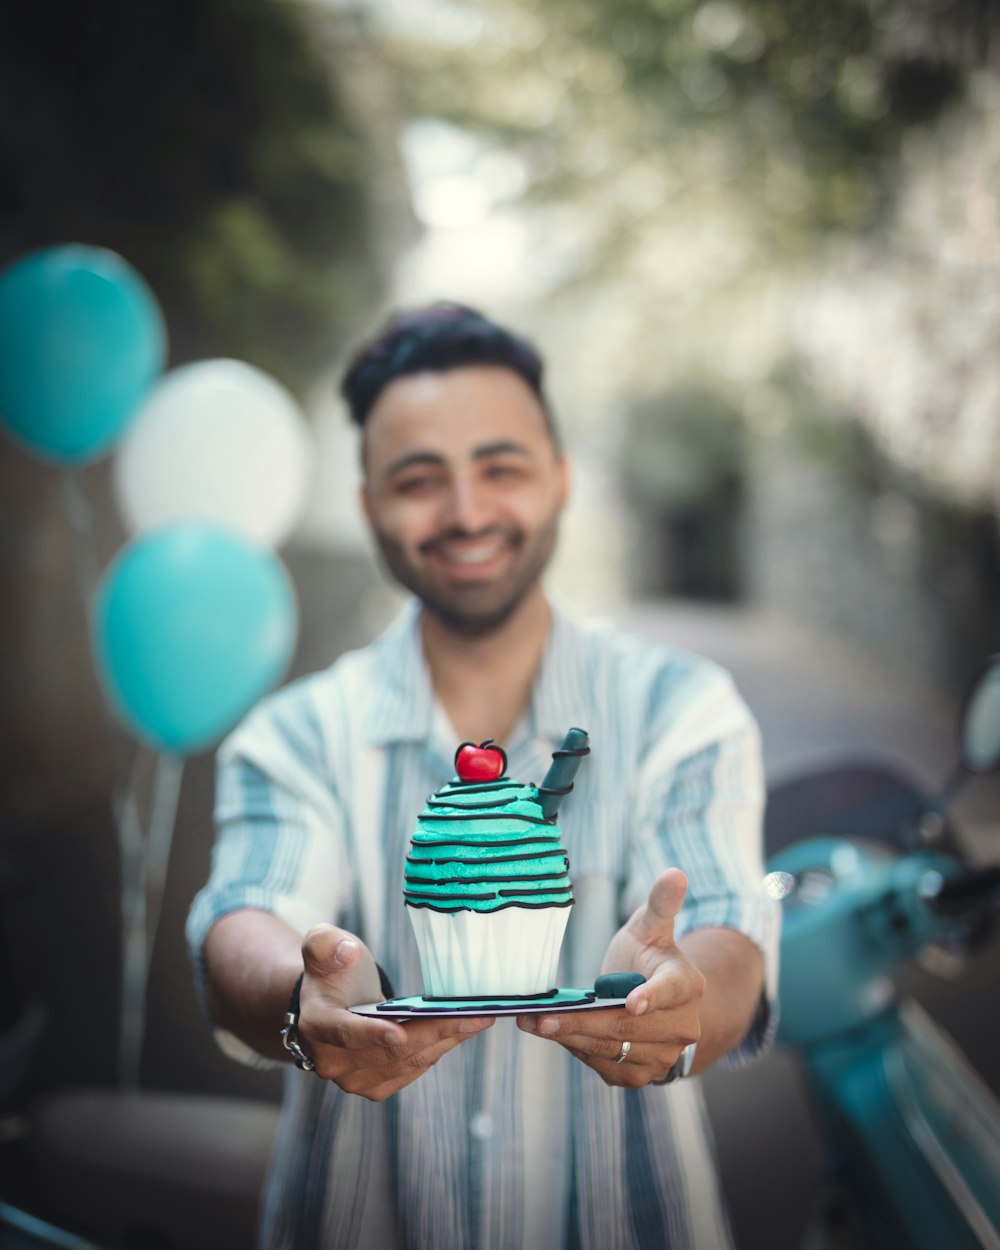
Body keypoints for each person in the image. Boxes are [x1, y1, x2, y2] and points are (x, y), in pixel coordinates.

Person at [187, 302, 781, 1250]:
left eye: (499, 467)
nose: (466, 512)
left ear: (559, 477)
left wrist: (683, 999)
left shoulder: (682, 708)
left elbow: (729, 942)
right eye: (419, 479)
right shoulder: (295, 733)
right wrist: (302, 1000)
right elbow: (246, 915)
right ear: (369, 505)